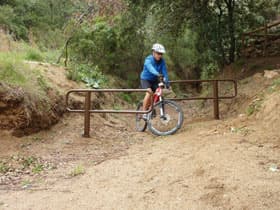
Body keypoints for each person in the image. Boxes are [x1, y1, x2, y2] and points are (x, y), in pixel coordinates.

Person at [140, 43, 170, 115]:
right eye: (158, 53)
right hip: (145, 79)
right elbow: (150, 68)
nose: (160, 55)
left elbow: (164, 72)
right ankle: (144, 112)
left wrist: (167, 83)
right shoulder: (148, 59)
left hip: (154, 80)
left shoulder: (162, 61)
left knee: (159, 93)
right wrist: (157, 74)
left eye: (161, 54)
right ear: (153, 52)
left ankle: (151, 107)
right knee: (149, 92)